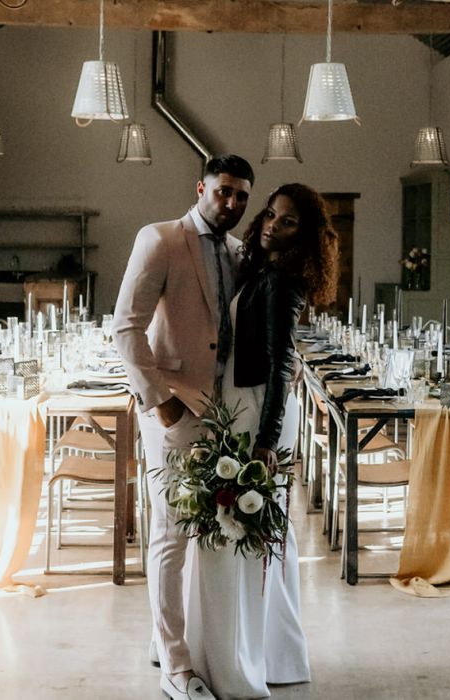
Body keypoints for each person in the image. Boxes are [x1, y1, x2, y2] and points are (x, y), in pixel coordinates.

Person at [184, 183, 339, 699]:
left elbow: (281, 365)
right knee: (257, 535)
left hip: (257, 414)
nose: (272, 223)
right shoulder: (264, 272)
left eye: (288, 220)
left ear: (306, 234)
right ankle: (272, 654)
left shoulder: (282, 282)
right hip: (245, 405)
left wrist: (266, 440)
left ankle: (248, 658)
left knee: (247, 535)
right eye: (271, 214)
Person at [112, 154, 255, 700]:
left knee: (215, 534)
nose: (232, 204)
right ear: (201, 187)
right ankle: (176, 664)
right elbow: (125, 328)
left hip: (228, 414)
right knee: (170, 534)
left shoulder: (241, 253)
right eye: (224, 191)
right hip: (174, 412)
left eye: (241, 196)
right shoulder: (161, 239)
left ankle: (185, 639)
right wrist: (158, 402)